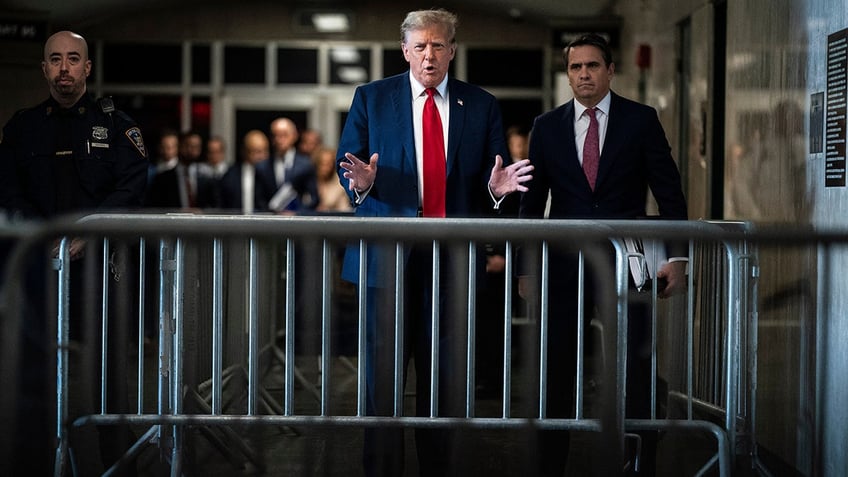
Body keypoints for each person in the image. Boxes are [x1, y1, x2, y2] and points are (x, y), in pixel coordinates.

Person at [336, 9, 533, 477]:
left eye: (439, 45)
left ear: (453, 51)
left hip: (452, 261)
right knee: (381, 382)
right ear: (404, 50)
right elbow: (351, 171)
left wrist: (495, 191)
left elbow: (491, 179)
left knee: (445, 383)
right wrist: (362, 184)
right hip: (387, 259)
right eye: (420, 46)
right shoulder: (371, 97)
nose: (429, 55)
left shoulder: (480, 105)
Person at [518, 33, 688, 476]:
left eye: (593, 66)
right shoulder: (548, 126)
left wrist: (678, 257)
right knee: (556, 365)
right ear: (568, 74)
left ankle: (640, 456)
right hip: (562, 263)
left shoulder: (640, 119)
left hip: (628, 260)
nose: (584, 74)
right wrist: (526, 266)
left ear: (611, 71)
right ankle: (551, 460)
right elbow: (531, 204)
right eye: (576, 67)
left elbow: (668, 192)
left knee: (636, 362)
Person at [0, 30, 148, 476]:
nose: (64, 68)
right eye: (55, 59)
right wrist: (45, 236)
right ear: (44, 68)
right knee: (34, 369)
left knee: (108, 375)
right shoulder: (22, 127)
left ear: (87, 68)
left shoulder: (119, 126)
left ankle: (115, 463)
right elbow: (8, 189)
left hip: (99, 269)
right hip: (39, 270)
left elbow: (132, 185)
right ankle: (37, 458)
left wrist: (92, 230)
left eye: (73, 59)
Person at [145, 130, 218, 210]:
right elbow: (156, 207)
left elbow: (215, 206)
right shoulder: (163, 178)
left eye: (197, 146)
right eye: (189, 145)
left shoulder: (207, 176)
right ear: (179, 146)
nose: (193, 150)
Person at [218, 129, 276, 214]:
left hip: (265, 223)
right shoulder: (230, 176)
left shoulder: (272, 173)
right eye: (257, 151)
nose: (262, 156)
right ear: (245, 151)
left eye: (265, 151)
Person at [268, 117, 319, 212]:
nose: (279, 140)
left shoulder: (306, 164)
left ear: (294, 136)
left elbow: (314, 198)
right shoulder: (263, 166)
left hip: (297, 221)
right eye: (275, 135)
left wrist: (297, 213)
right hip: (268, 220)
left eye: (284, 135)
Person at [312, 145, 351, 213]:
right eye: (322, 163)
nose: (326, 168)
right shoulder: (309, 181)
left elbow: (344, 210)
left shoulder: (340, 184)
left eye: (329, 164)